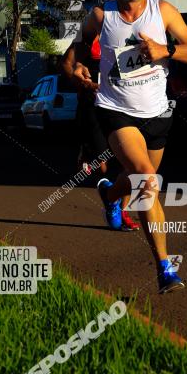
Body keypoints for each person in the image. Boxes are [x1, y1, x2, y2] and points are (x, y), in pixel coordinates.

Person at [70, 0, 187, 293]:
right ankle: (164, 268)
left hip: (157, 113)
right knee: (147, 180)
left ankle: (112, 197)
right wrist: (77, 69)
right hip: (115, 110)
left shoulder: (164, 12)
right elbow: (74, 54)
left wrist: (166, 50)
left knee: (134, 179)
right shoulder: (101, 16)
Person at [63, 29, 139, 232]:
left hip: (121, 106)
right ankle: (108, 193)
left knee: (130, 162)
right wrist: (83, 83)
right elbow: (66, 65)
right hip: (92, 107)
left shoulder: (124, 36)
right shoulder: (84, 39)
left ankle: (121, 211)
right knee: (103, 166)